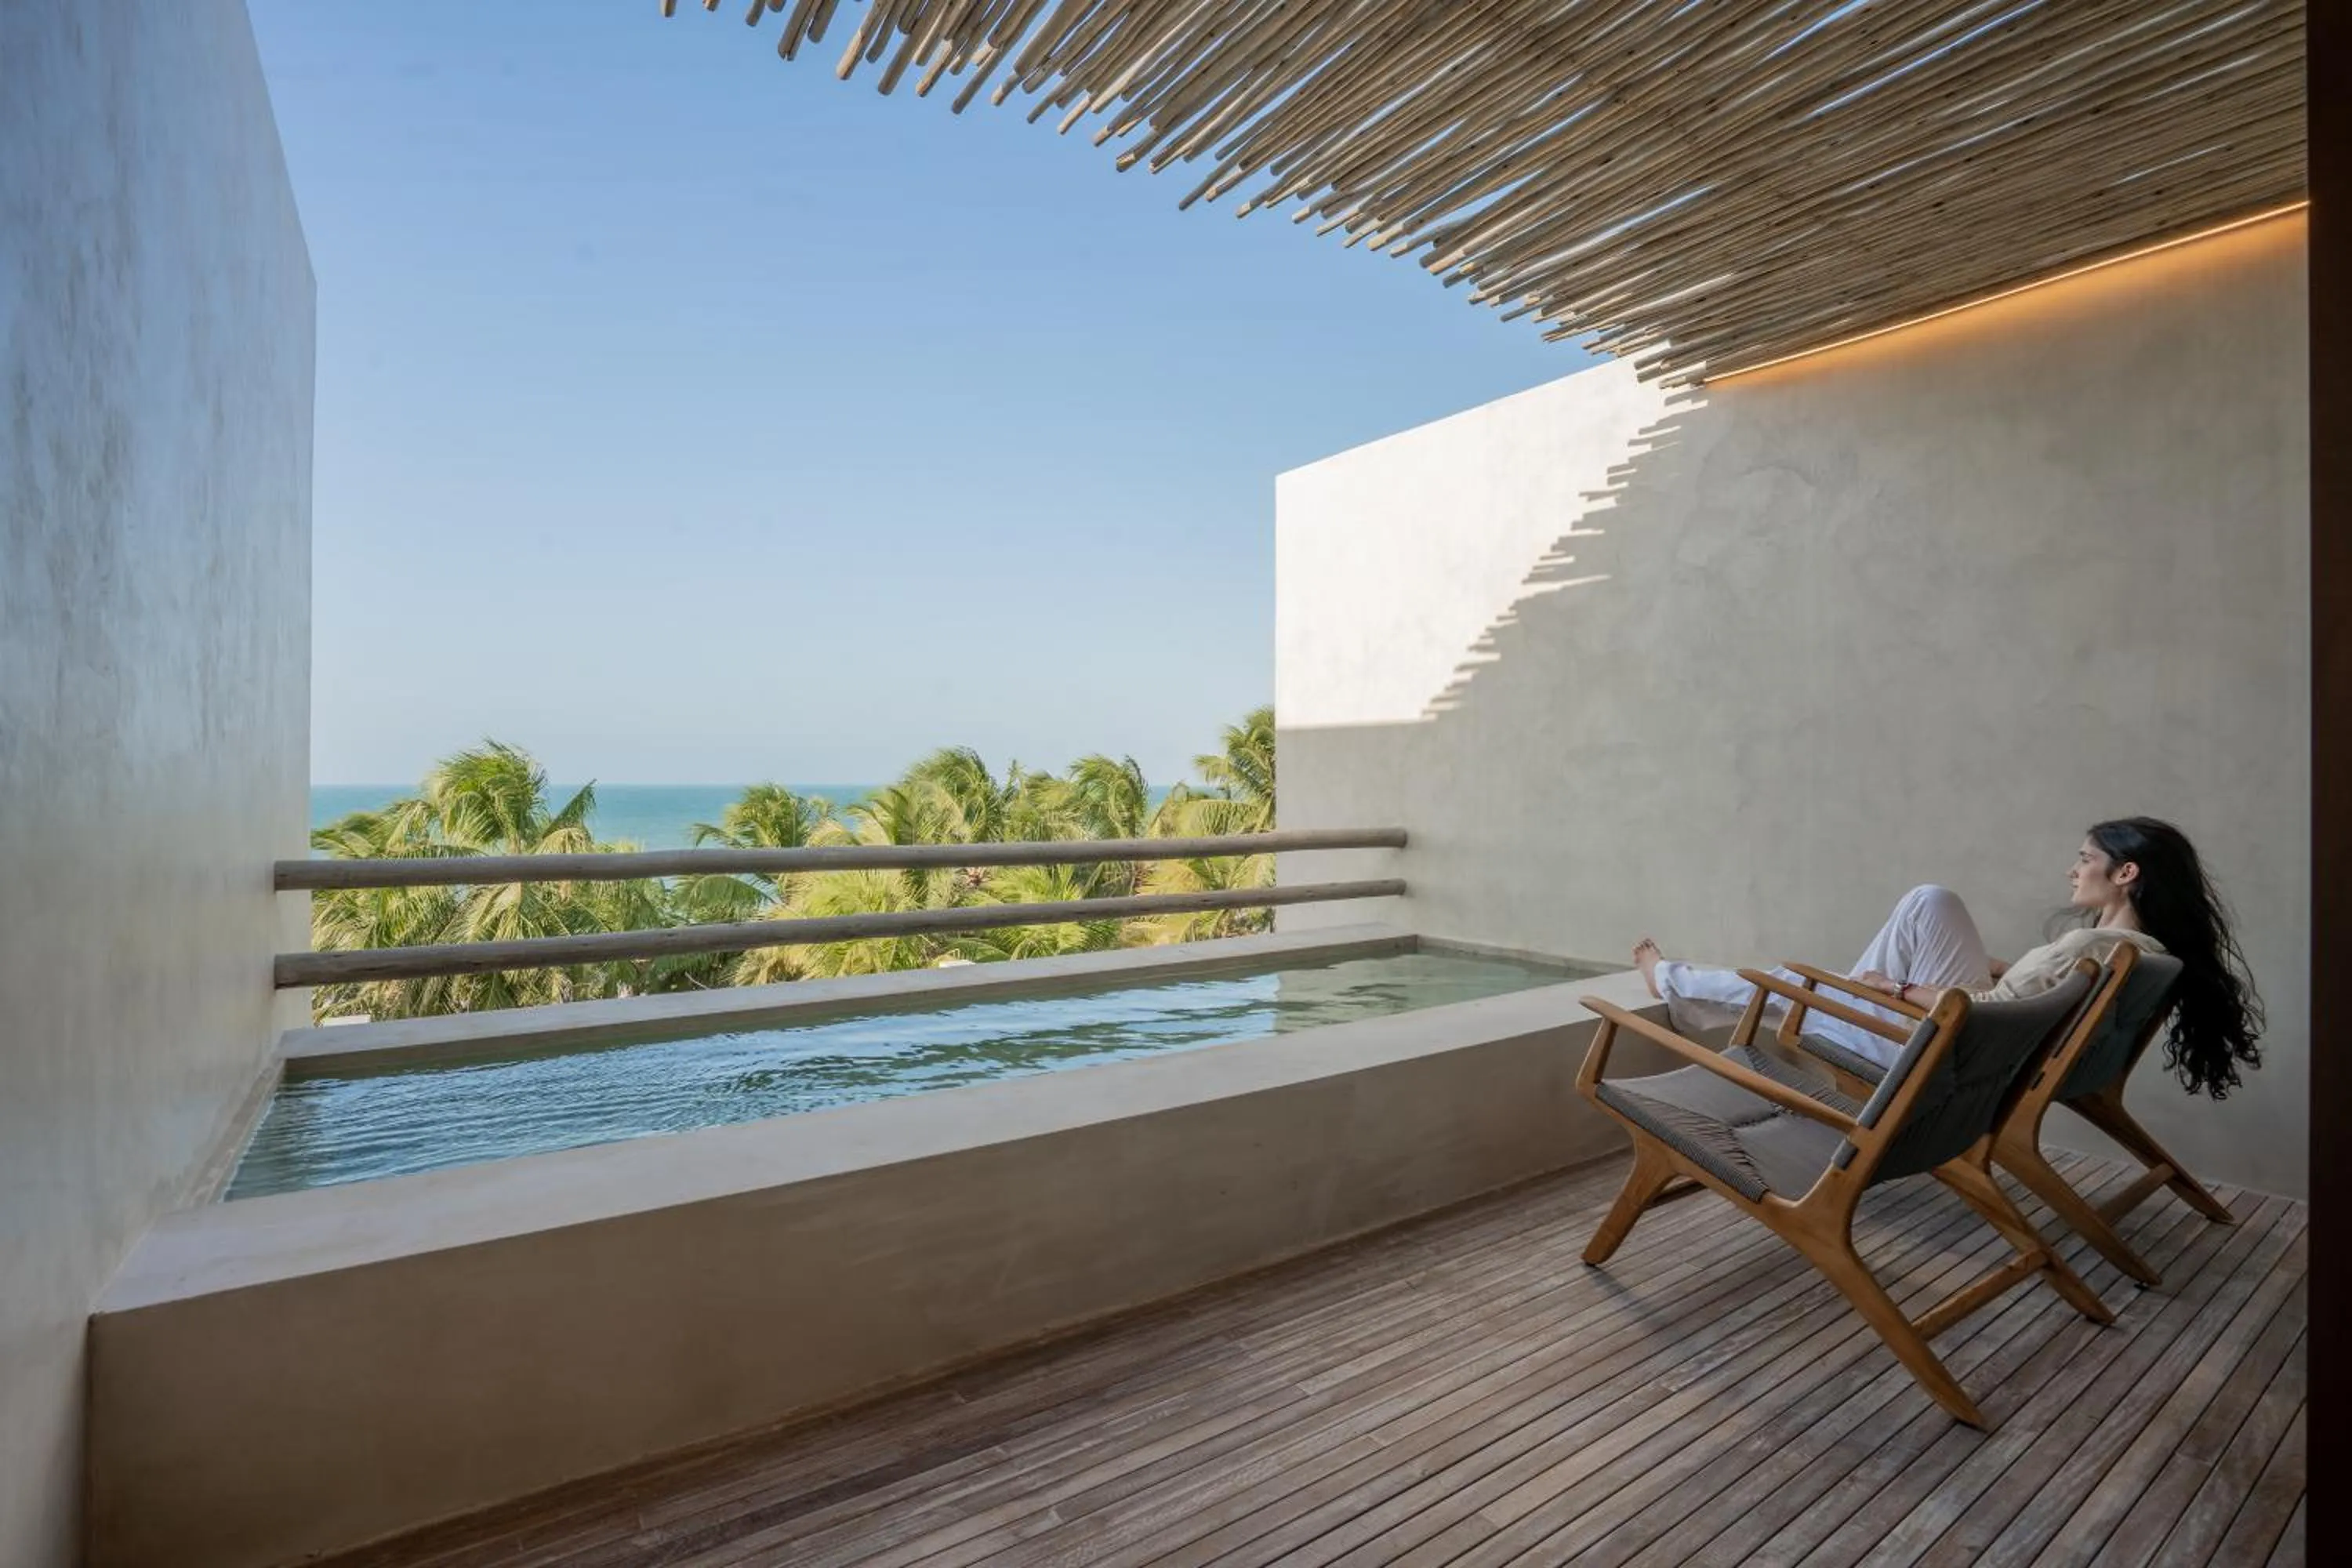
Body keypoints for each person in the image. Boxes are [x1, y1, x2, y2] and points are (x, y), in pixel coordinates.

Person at [1632, 817, 2264, 1098]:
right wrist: (1991, 965)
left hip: (1946, 1058)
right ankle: (1705, 987)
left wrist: (1896, 991)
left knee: (1799, 982)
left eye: (2085, 860)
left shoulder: (2091, 946)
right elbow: (2027, 995)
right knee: (1925, 906)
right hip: (1975, 1052)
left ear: (2126, 873)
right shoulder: (2137, 952)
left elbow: (1988, 1010)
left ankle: (1673, 984)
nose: (2073, 871)